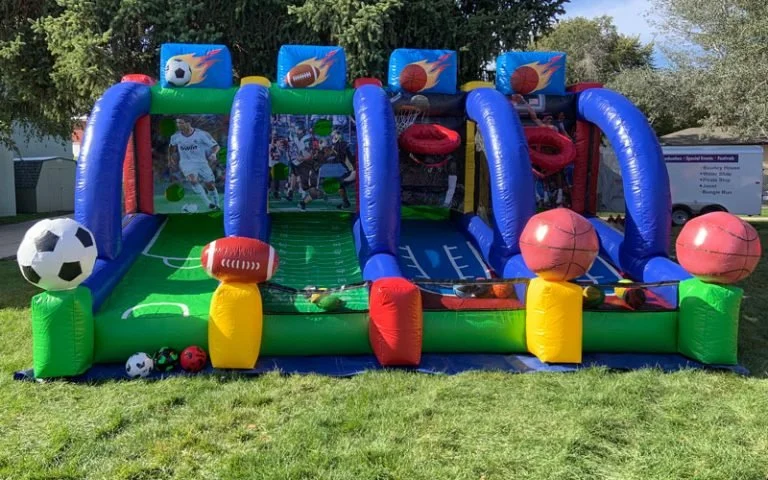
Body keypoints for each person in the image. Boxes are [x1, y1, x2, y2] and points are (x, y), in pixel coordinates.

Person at [168, 117, 220, 210]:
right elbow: (171, 146)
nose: (178, 125)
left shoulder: (201, 134)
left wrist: (213, 154)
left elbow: (216, 146)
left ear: (188, 123)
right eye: (177, 123)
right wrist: (170, 158)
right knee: (193, 180)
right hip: (186, 163)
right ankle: (208, 203)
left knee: (210, 185)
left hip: (202, 163)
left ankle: (217, 205)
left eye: (181, 123)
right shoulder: (175, 136)